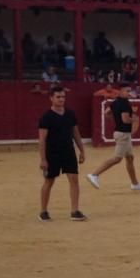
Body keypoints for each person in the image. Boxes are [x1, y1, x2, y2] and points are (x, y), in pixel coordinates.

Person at [86, 83, 140, 191]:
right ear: (121, 91)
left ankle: (135, 184)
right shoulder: (124, 104)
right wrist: (135, 119)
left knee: (130, 158)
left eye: (130, 91)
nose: (129, 93)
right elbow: (125, 119)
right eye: (127, 91)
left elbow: (106, 113)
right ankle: (94, 174)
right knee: (117, 159)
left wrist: (116, 120)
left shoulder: (115, 102)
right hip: (123, 134)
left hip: (122, 133)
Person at [38, 85, 87, 221]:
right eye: (58, 97)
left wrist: (82, 150)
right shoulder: (46, 117)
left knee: (74, 180)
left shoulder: (70, 114)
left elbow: (76, 134)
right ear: (51, 98)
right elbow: (42, 139)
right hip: (52, 153)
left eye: (63, 97)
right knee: (49, 181)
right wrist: (43, 159)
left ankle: (75, 210)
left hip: (68, 151)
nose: (61, 99)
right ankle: (43, 211)